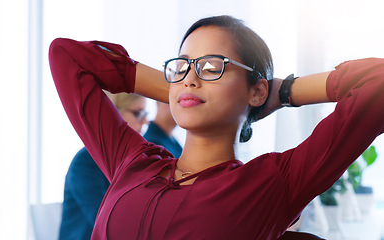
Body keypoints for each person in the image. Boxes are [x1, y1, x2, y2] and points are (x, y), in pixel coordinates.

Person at [49, 15, 384, 240]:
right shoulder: (132, 161)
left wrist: (282, 92)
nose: (191, 77)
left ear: (256, 91)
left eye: (212, 67)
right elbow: (66, 56)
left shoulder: (272, 183)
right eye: (181, 66)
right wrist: (177, 86)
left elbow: (377, 84)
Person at [59, 93, 182, 240]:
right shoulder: (86, 163)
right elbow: (106, 222)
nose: (145, 122)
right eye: (138, 113)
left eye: (145, 113)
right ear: (113, 115)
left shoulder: (131, 158)